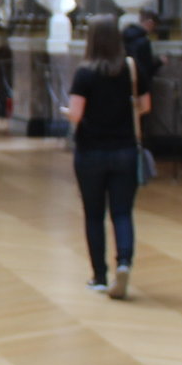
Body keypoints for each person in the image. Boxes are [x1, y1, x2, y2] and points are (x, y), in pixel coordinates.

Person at [65, 16, 149, 300]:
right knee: (122, 212)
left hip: (91, 152)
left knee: (94, 215)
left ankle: (99, 277)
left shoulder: (84, 73)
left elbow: (76, 114)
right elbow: (145, 105)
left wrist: (71, 113)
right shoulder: (130, 68)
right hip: (125, 150)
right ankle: (123, 263)